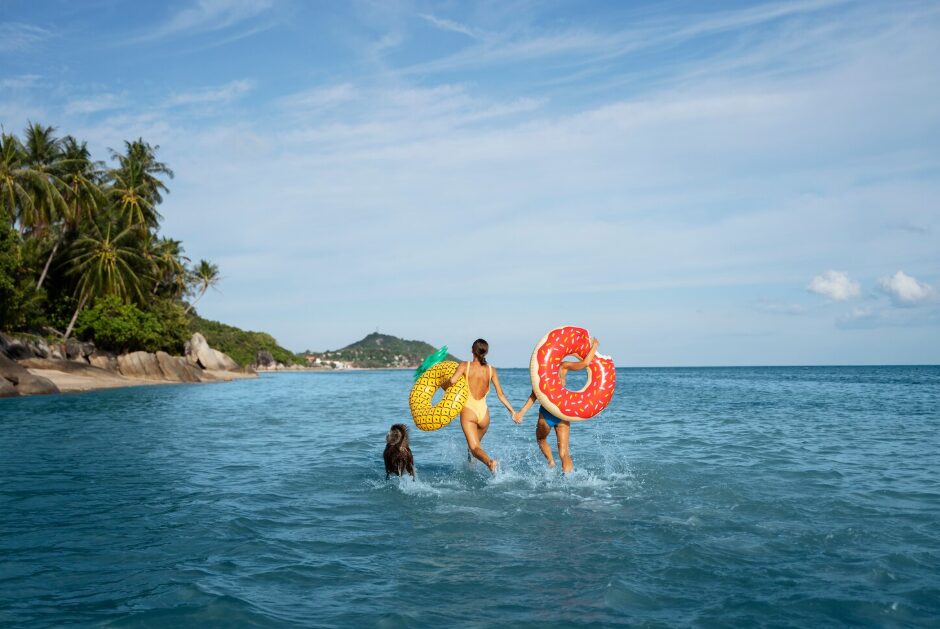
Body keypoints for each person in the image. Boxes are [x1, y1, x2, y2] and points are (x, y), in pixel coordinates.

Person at [513, 337, 599, 473]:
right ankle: (568, 478)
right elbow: (585, 363)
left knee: (541, 439)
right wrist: (594, 346)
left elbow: (534, 394)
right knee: (564, 453)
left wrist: (521, 413)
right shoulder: (563, 366)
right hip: (562, 412)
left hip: (546, 413)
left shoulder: (541, 371)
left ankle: (551, 462)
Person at [444, 339, 515, 474]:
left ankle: (490, 462)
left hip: (469, 411)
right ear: (486, 352)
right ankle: (472, 469)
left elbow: (452, 381)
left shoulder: (465, 365)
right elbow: (501, 394)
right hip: (484, 415)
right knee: (475, 448)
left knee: (474, 448)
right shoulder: (491, 370)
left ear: (472, 350)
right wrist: (512, 412)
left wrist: (441, 381)